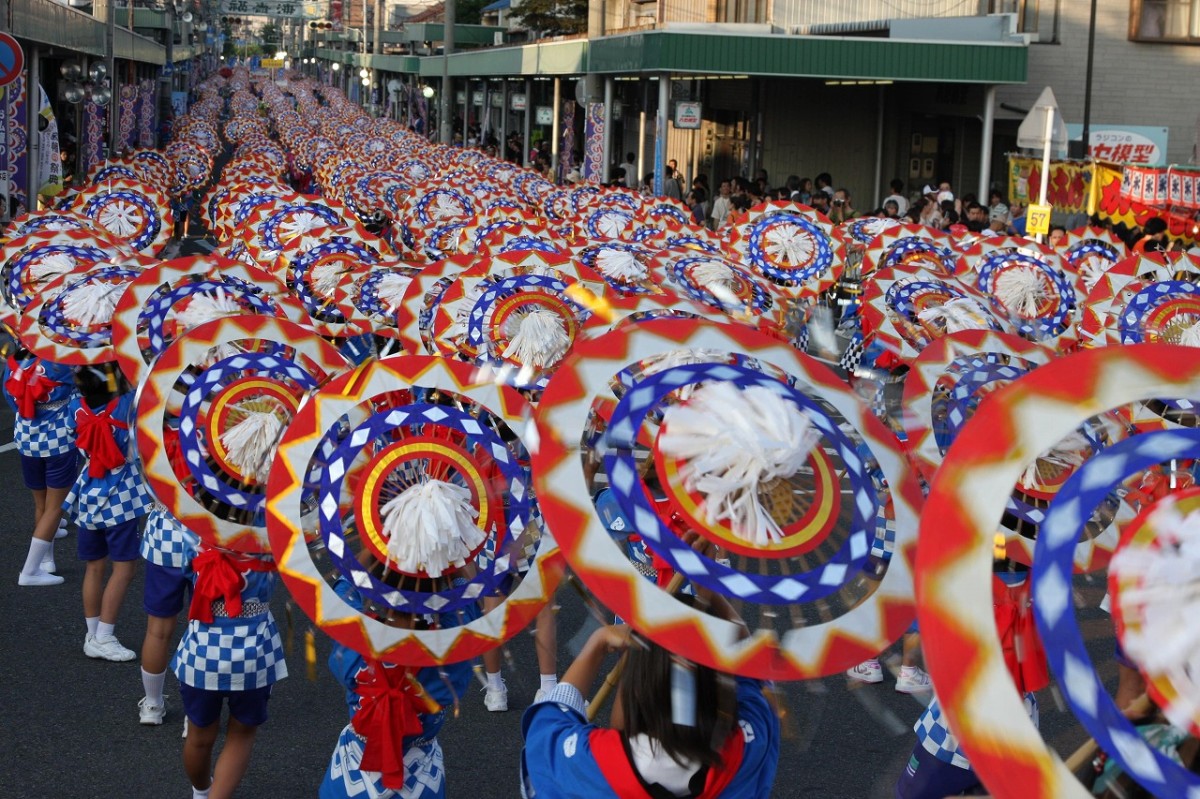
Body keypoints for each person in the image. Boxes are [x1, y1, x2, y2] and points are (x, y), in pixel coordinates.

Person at [520, 592, 780, 798]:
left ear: (636, 687)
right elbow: (752, 666)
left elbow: (547, 727)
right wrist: (710, 593)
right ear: (721, 689)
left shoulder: (592, 765)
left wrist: (596, 644)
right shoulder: (748, 744)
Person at [319, 577, 476, 799]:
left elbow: (343, 598)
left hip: (352, 772)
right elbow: (465, 611)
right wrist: (457, 575)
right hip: (422, 778)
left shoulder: (356, 640)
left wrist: (365, 564)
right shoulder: (449, 653)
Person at [174, 544, 286, 799]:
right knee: (241, 733)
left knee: (198, 737)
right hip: (255, 651)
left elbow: (185, 568)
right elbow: (308, 542)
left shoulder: (195, 529)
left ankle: (201, 793)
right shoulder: (271, 534)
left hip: (202, 650)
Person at [64, 366, 153, 661]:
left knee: (94, 567)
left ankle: (93, 633)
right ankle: (103, 636)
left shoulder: (76, 407)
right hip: (120, 496)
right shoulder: (126, 406)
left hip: (88, 490)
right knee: (124, 568)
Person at [6, 349, 80, 587]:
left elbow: (11, 398)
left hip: (26, 439)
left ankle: (48, 558)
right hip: (58, 441)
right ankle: (32, 569)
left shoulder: (16, 359)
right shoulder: (65, 360)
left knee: (42, 504)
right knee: (55, 508)